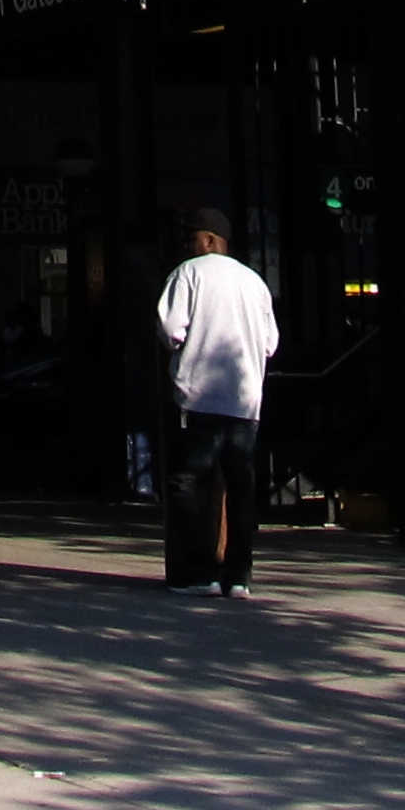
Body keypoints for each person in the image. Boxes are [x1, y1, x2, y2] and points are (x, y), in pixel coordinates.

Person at [154, 206, 278, 600]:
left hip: (200, 398)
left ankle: (201, 571)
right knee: (240, 487)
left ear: (209, 240)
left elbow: (170, 329)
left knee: (184, 481)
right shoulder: (254, 282)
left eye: (192, 237)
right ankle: (238, 576)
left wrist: (182, 352)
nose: (188, 244)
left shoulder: (189, 273)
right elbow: (271, 343)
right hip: (244, 403)